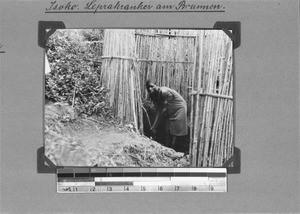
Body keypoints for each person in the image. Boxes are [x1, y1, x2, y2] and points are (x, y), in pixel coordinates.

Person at [146, 80, 188, 149]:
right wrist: (153, 127)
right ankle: (166, 147)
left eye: (151, 86)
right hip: (170, 108)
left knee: (175, 132)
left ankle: (172, 149)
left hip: (179, 108)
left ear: (156, 85)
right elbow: (158, 110)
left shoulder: (163, 92)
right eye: (148, 88)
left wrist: (155, 127)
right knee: (167, 130)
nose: (150, 89)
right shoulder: (152, 95)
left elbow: (163, 109)